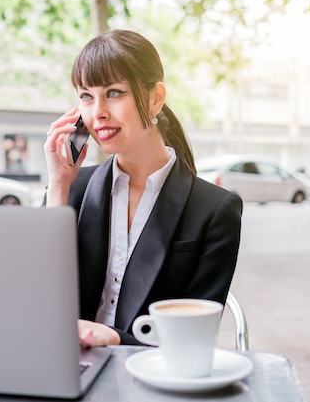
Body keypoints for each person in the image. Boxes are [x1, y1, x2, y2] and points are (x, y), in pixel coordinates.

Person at [43, 29, 243, 347]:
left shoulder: (214, 209)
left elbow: (194, 336)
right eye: (86, 96)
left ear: (155, 98)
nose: (98, 113)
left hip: (154, 378)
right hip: (66, 364)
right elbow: (38, 302)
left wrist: (115, 339)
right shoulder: (72, 189)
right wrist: (57, 185)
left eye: (113, 93)